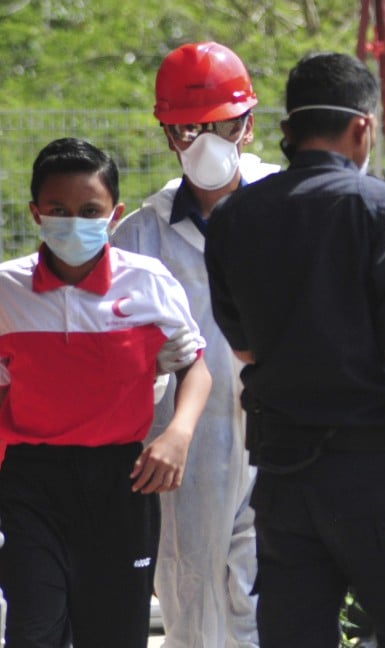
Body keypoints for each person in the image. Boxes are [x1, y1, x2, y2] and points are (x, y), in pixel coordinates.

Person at [204, 52, 385, 648]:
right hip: (378, 474)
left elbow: (244, 348)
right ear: (363, 128)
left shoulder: (233, 218)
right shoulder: (384, 208)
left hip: (284, 478)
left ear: (288, 130)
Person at [0, 137, 212, 648]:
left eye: (89, 210)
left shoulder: (148, 283)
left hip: (121, 482)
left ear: (114, 214)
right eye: (58, 210)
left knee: (114, 633)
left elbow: (194, 365)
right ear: (35, 213)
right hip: (30, 482)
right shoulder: (7, 291)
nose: (73, 221)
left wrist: (178, 434)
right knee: (33, 626)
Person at [112, 40, 277, 648]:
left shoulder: (288, 207)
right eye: (187, 129)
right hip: (185, 438)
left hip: (281, 427)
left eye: (220, 126)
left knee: (272, 594)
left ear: (248, 124)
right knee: (188, 591)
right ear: (167, 134)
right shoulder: (143, 234)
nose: (204, 143)